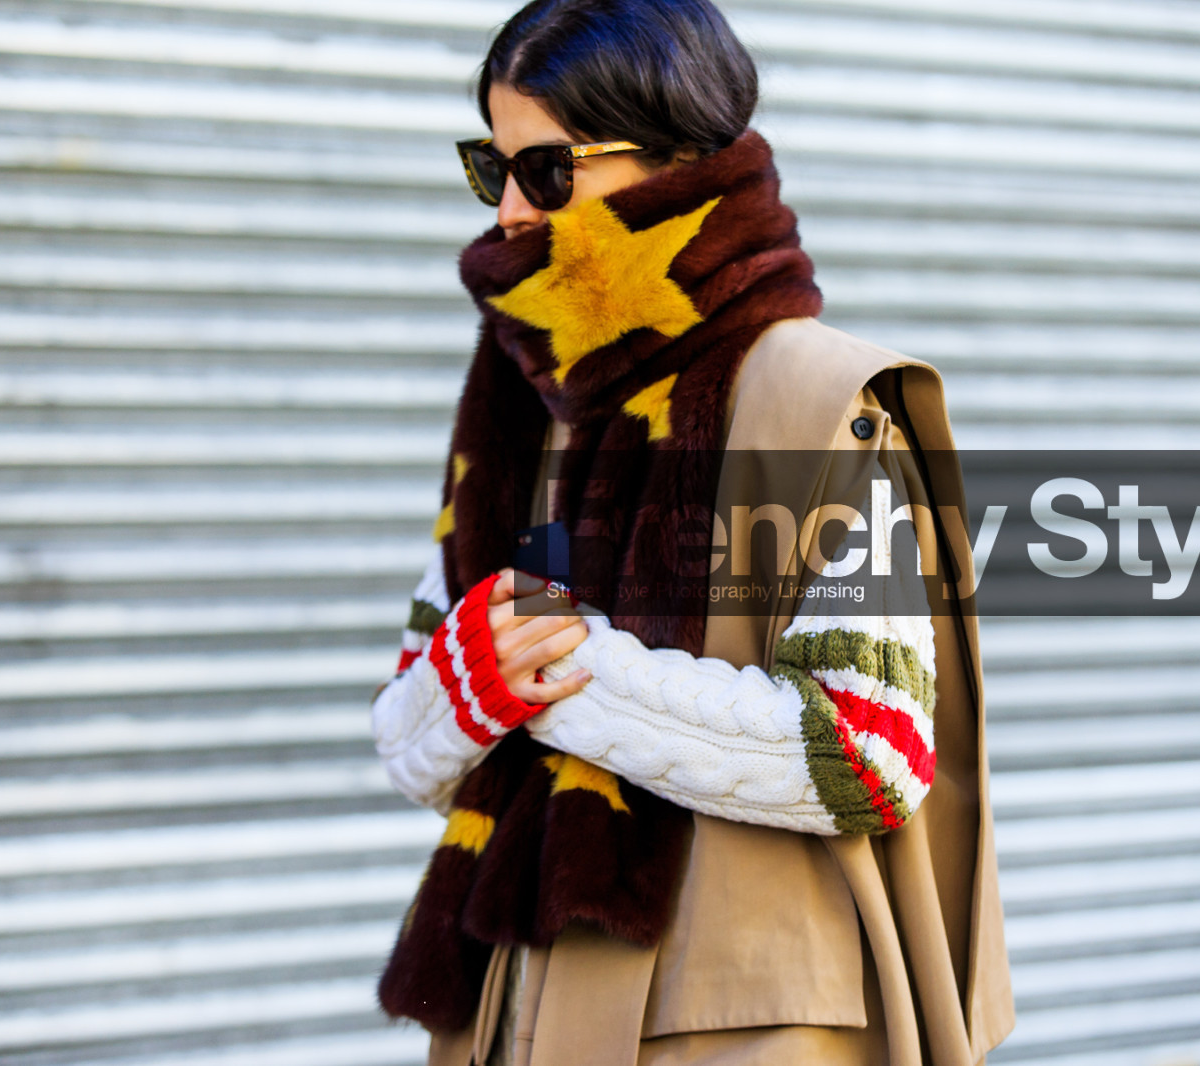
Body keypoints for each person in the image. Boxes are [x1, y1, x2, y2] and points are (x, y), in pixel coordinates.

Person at [370, 1, 1015, 1063]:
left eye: (548, 171)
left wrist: (573, 678)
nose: (514, 218)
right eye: (494, 171)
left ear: (676, 160)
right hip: (516, 1011)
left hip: (739, 1020)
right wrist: (471, 680)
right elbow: (413, 744)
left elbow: (869, 750)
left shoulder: (815, 401)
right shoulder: (521, 400)